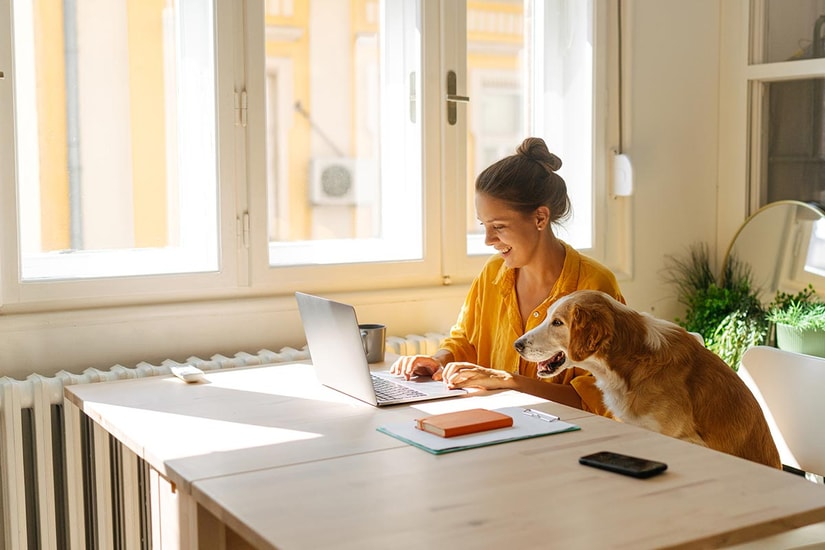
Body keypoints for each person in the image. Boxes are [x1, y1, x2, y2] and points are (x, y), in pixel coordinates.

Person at [390, 137, 625, 415]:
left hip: (566, 437)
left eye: (498, 226)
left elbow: (598, 400)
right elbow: (465, 340)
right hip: (496, 424)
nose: (489, 239)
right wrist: (438, 360)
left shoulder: (594, 286)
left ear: (540, 218)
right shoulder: (492, 273)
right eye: (484, 225)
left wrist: (511, 382)